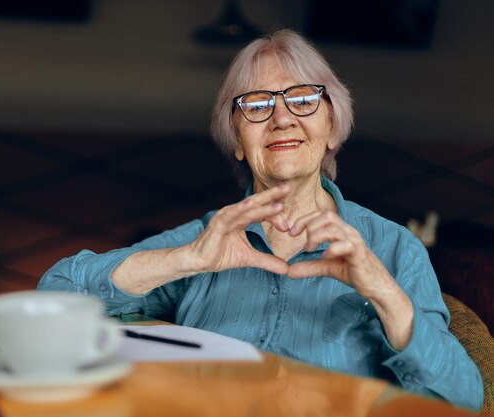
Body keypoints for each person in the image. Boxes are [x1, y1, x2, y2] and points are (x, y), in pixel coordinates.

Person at [38, 29, 483, 410]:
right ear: (236, 140)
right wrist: (184, 259)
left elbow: (461, 400)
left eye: (304, 99)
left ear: (331, 128)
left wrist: (382, 291)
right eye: (255, 105)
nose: (282, 118)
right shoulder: (205, 239)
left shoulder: (393, 247)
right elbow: (52, 297)